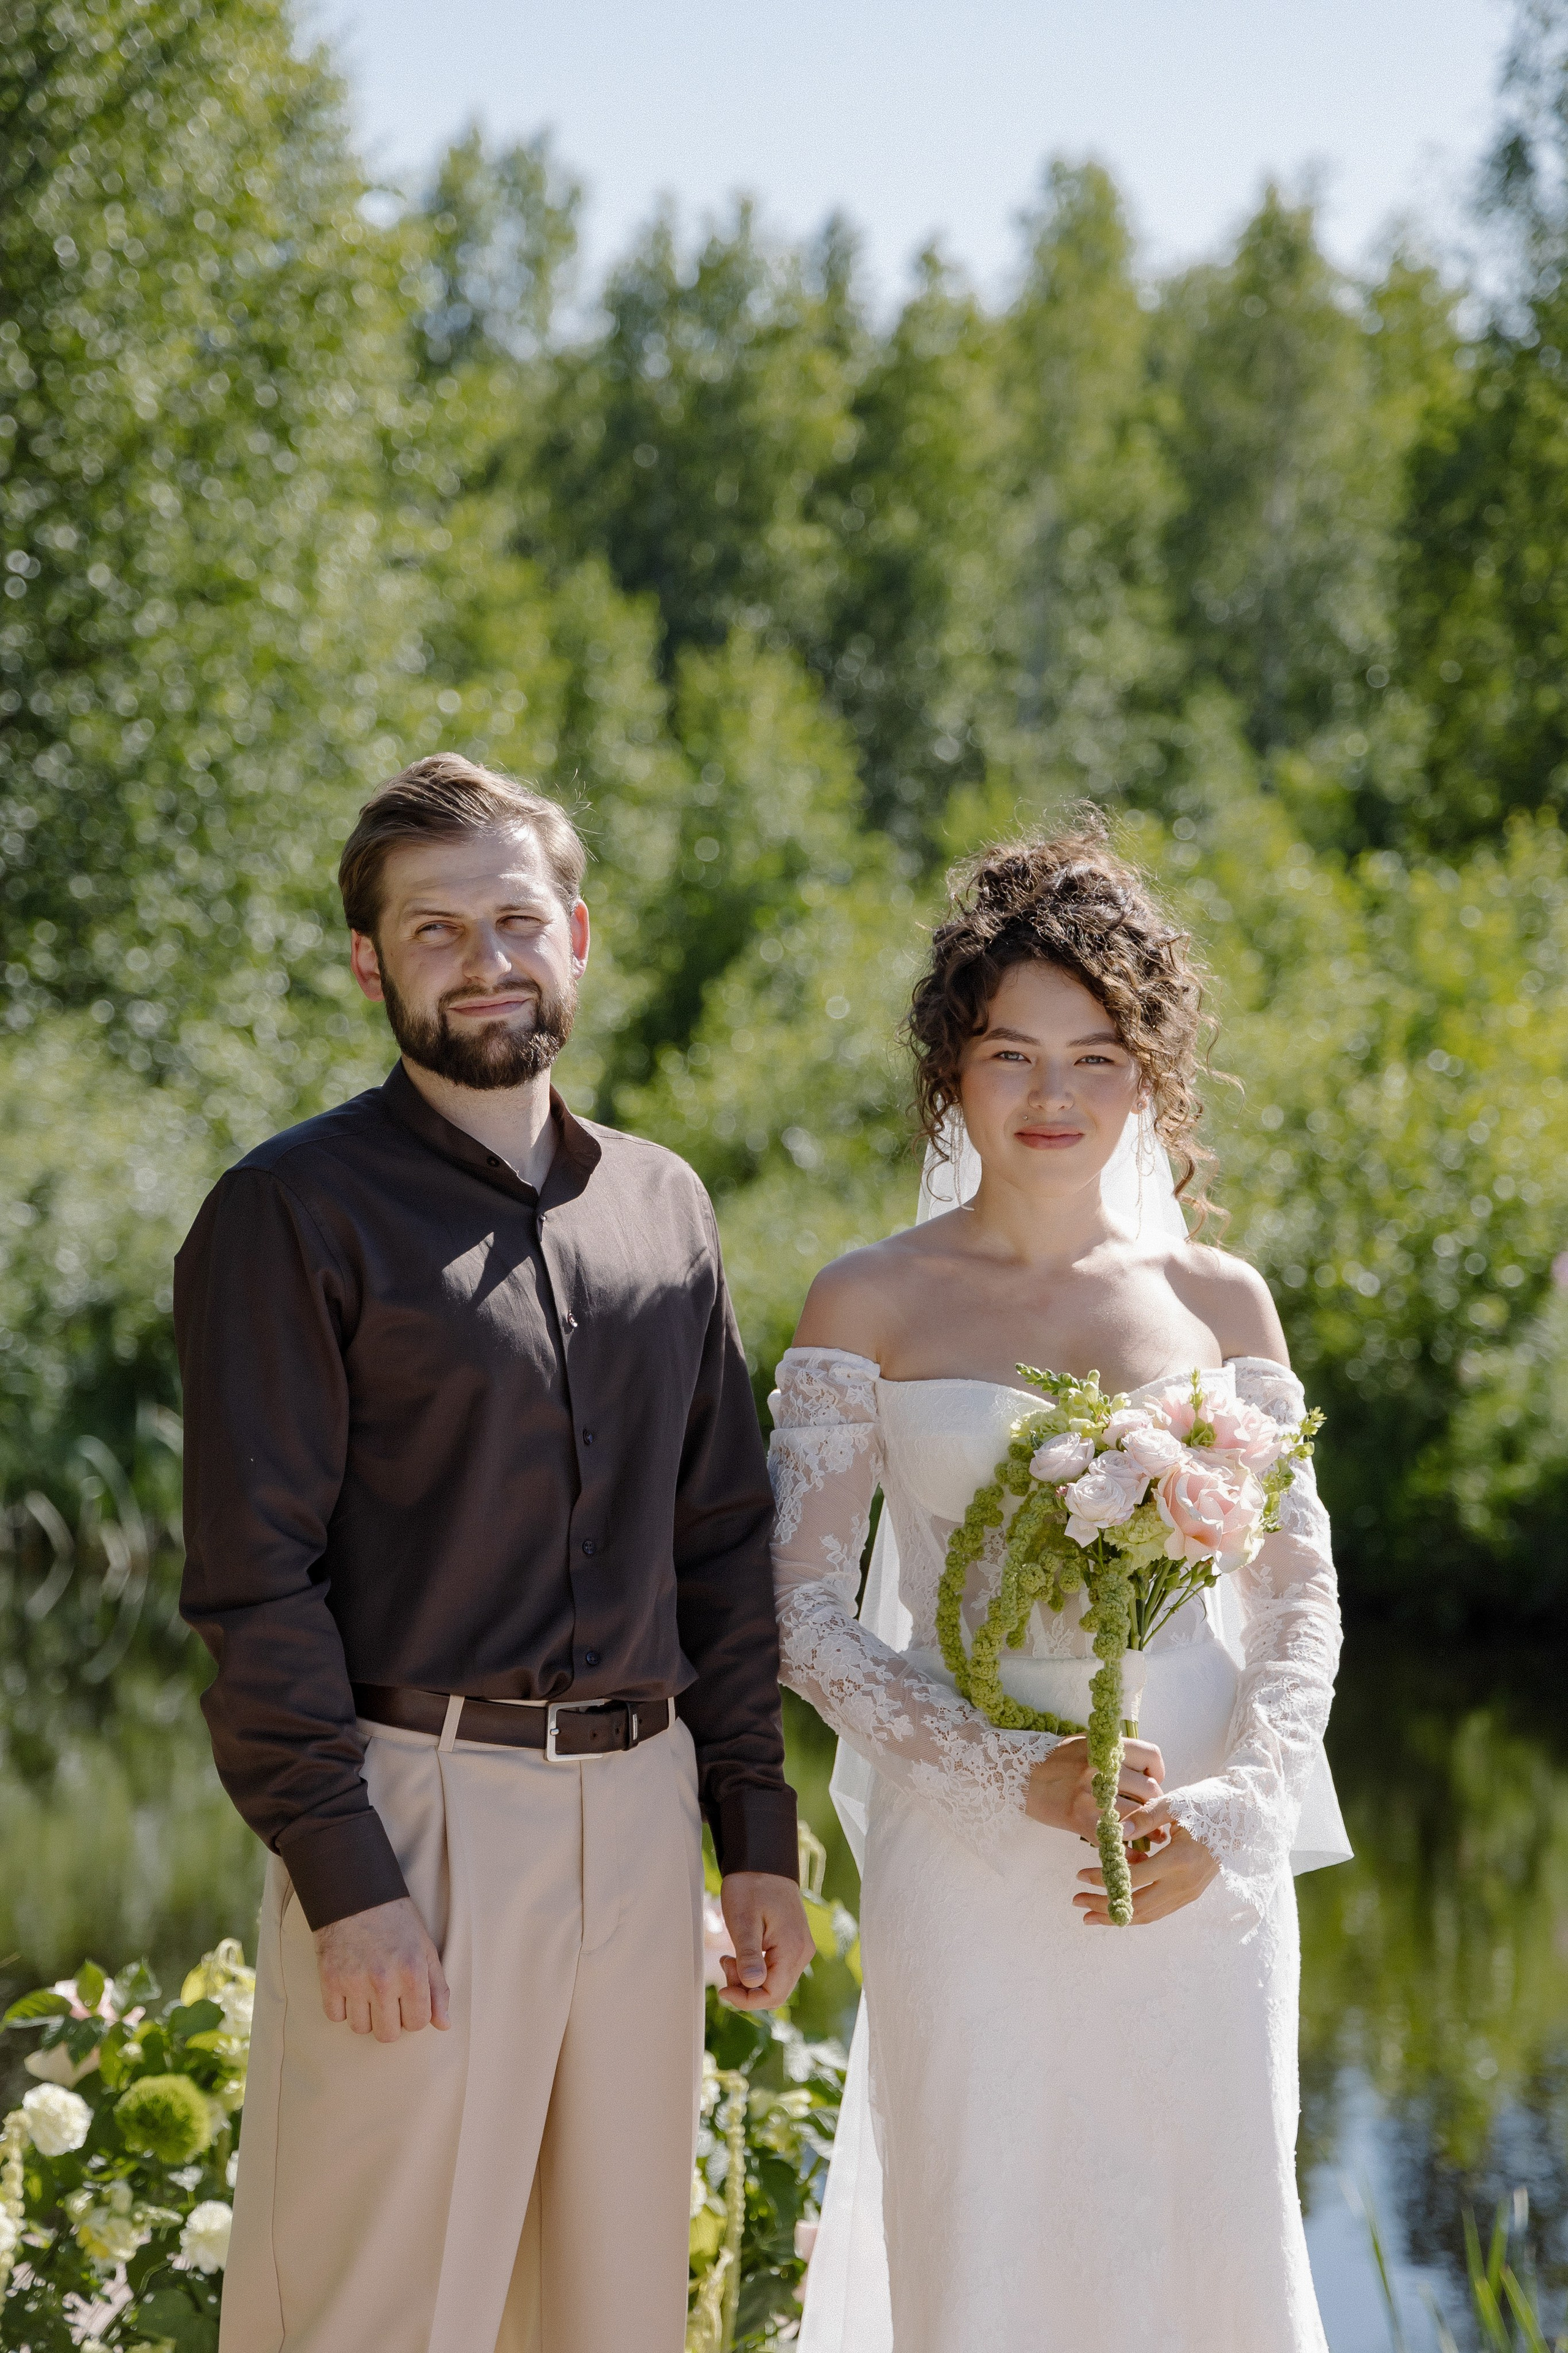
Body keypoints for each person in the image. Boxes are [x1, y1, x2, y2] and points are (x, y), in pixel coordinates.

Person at [175, 754, 815, 2353]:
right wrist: (348, 1883)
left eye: (516, 920)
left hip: (646, 1814)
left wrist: (753, 1831)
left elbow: (721, 1537)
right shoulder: (290, 1213)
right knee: (374, 2314)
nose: (487, 961)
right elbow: (254, 1583)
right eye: (436, 930)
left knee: (609, 2313)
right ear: (369, 963)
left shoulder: (663, 1205)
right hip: (419, 1812)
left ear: (575, 936)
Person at [771, 819, 1347, 2352]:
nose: (1052, 1096)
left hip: (1189, 1845)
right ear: (949, 1073)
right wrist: (1000, 1770)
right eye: (1010, 1055)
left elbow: (1297, 1595)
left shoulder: (1218, 1299)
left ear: (1147, 1076)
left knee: (1205, 2249)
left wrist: (1238, 1812)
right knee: (986, 2246)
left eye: (1095, 1057)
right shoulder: (869, 1297)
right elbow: (798, 1610)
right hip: (968, 1852)